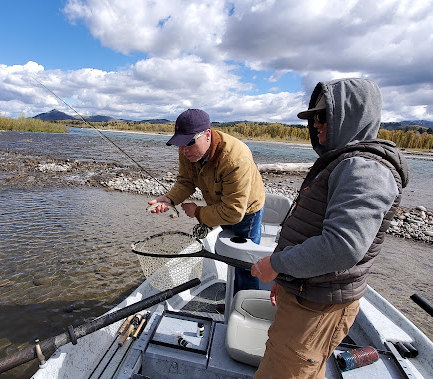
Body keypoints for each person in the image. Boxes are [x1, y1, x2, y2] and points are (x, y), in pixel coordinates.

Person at [250, 78, 410, 378]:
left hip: (317, 307)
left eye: (323, 116)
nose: (316, 124)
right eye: (313, 117)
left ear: (352, 117)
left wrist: (276, 264)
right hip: (306, 292)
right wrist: (284, 275)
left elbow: (342, 247)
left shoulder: (364, 168)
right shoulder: (344, 163)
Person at [149, 108, 266, 293]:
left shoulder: (236, 158)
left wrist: (197, 212)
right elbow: (186, 181)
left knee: (245, 264)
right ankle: (232, 296)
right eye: (180, 144)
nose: (184, 150)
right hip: (220, 205)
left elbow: (234, 212)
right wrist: (169, 198)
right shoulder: (187, 150)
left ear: (208, 135)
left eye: (189, 143)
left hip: (248, 211)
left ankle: (242, 307)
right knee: (230, 256)